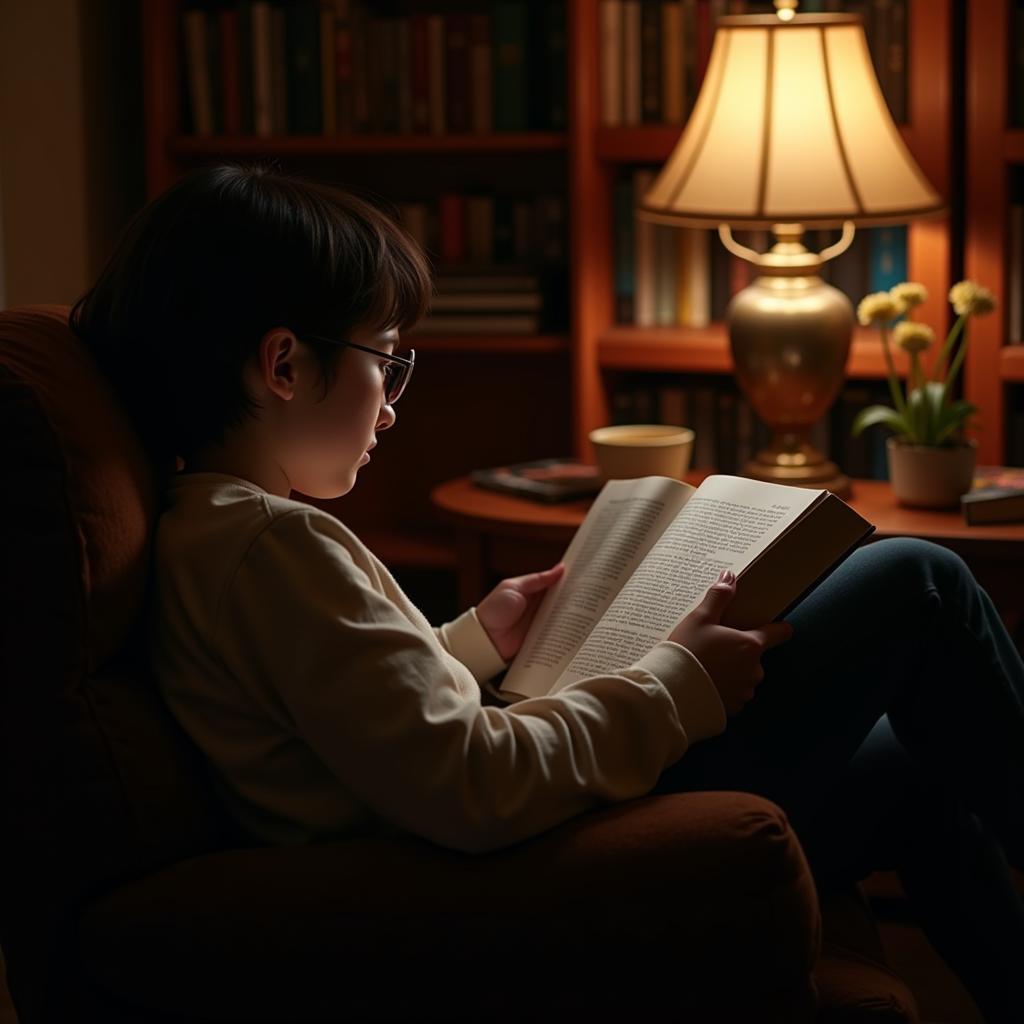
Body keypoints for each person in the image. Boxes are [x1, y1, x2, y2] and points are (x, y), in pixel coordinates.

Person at [71, 163, 1024, 1023]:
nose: (395, 404)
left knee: (916, 776)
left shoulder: (211, 534)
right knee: (920, 578)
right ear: (283, 365)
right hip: (529, 867)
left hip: (502, 840)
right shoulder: (274, 545)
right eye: (387, 359)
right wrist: (677, 679)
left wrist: (474, 640)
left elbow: (342, 715)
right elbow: (472, 781)